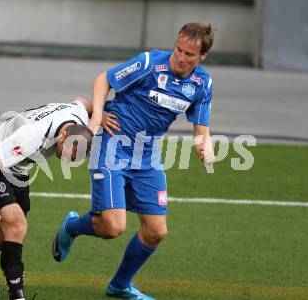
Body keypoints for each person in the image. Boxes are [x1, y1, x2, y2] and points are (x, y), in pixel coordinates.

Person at [52, 23, 216, 299]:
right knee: (113, 228)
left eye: (189, 54)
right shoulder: (150, 62)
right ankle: (71, 227)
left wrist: (205, 148)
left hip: (148, 156)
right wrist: (97, 117)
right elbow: (104, 79)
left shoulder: (202, 84)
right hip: (113, 147)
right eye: (178, 49)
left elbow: (202, 131)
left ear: (202, 57)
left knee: (155, 231)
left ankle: (119, 286)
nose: (180, 57)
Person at [0, 98, 93, 300]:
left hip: (18, 172)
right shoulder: (31, 136)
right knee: (17, 226)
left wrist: (103, 114)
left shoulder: (79, 117)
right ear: (63, 135)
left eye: (76, 158)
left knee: (3, 238)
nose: (68, 160)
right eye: (69, 153)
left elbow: (84, 102)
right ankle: (17, 295)